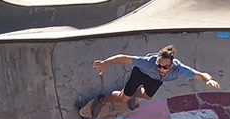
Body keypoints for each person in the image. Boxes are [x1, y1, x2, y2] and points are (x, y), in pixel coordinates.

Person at [91, 44, 221, 114]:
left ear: (171, 65)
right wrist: (105, 63)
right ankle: (102, 100)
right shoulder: (148, 62)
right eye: (159, 65)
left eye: (165, 67)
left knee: (147, 96)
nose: (161, 69)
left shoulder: (180, 69)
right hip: (140, 74)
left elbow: (200, 74)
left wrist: (208, 80)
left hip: (155, 80)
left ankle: (132, 95)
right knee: (123, 99)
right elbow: (124, 58)